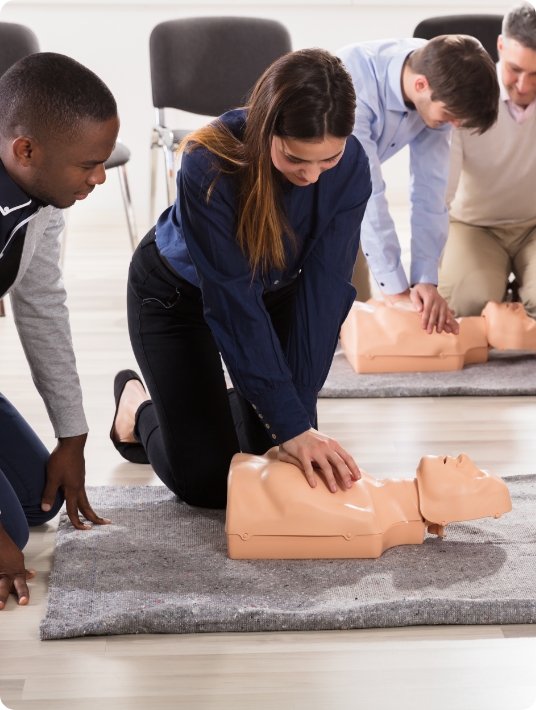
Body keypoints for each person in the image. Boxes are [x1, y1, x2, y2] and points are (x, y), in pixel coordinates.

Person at [111, 49, 372, 509]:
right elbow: (232, 301)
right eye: (296, 158)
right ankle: (138, 408)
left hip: (274, 293)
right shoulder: (205, 159)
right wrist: (288, 423)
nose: (312, 176)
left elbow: (325, 289)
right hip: (177, 297)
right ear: (268, 125)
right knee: (211, 486)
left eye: (327, 160)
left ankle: (227, 399)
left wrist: (297, 418)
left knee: (274, 459)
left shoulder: (351, 167)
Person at [0, 53, 119, 611]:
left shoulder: (45, 198)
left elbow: (41, 302)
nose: (99, 178)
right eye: (89, 165)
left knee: (35, 502)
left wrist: (72, 435)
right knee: (12, 535)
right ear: (25, 150)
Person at [337, 35, 500, 334]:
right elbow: (369, 193)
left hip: (344, 191)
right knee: (336, 314)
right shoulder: (351, 81)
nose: (455, 126)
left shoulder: (437, 81)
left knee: (365, 320)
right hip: (295, 189)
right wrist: (397, 292)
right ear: (421, 85)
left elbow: (430, 193)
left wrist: (425, 280)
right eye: (450, 116)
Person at [439, 3, 536, 318]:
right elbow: (441, 190)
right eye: (515, 70)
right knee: (466, 307)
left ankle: (524, 290)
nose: (523, 86)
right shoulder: (468, 93)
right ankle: (503, 286)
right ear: (500, 46)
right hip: (474, 226)